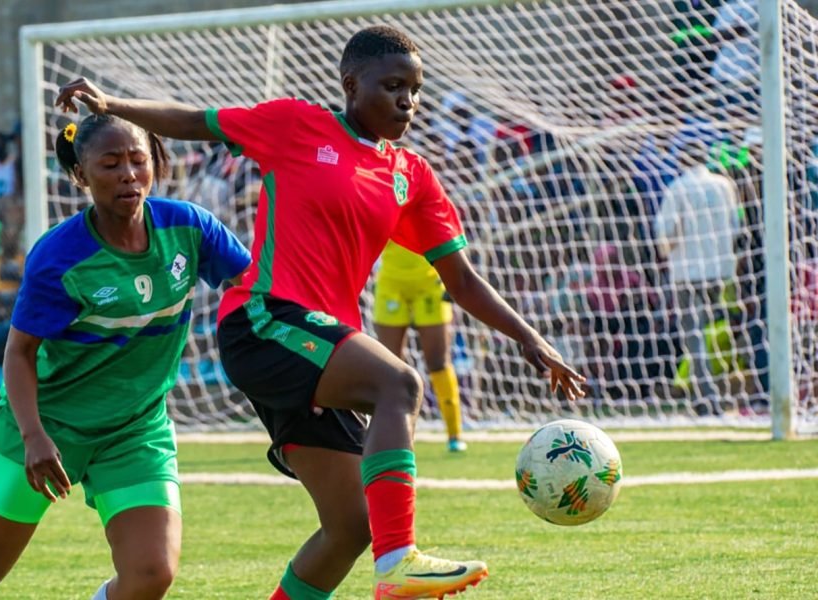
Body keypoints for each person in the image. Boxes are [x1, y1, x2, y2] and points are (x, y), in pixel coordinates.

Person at [55, 24, 586, 600]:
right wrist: (111, 105)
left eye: (415, 89)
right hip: (263, 322)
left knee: (351, 524)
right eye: (392, 86)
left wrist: (528, 336)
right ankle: (400, 560)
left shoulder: (411, 177)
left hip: (317, 348)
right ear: (351, 84)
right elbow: (195, 121)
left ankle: (385, 553)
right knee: (400, 385)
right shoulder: (297, 125)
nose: (407, 100)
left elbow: (460, 278)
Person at [0, 114, 251, 600]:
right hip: (46, 424)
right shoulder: (59, 257)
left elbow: (257, 286)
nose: (128, 174)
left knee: (152, 574)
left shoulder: (189, 227)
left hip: (135, 428)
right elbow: (19, 354)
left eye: (138, 160)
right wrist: (35, 437)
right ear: (80, 175)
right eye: (110, 163)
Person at [654, 141, 740, 409]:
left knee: (695, 337)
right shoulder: (724, 185)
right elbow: (736, 225)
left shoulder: (678, 188)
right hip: (722, 271)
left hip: (687, 273)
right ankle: (732, 391)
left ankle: (706, 397)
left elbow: (665, 233)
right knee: (722, 332)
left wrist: (666, 252)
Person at [372, 242, 466, 452]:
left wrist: (455, 275)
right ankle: (390, 433)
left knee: (438, 362)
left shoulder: (429, 207)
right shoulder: (385, 206)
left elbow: (451, 232)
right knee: (388, 365)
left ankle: (454, 434)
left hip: (430, 284)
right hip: (390, 284)